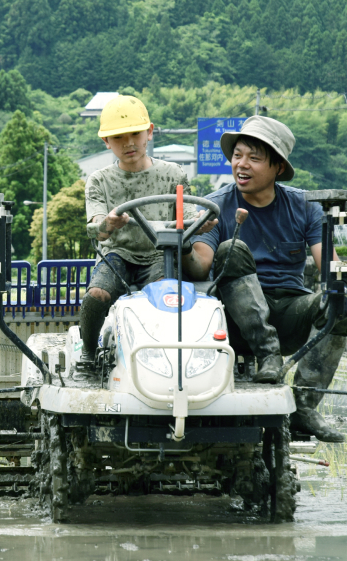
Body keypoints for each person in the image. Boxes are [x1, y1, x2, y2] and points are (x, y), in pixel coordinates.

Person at [182, 115, 345, 442]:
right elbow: (201, 266)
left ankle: (303, 404)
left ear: (278, 168)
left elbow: (329, 265)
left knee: (341, 297)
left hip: (288, 313)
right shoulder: (215, 207)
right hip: (233, 324)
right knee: (231, 247)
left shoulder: (304, 206)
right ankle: (266, 355)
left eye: (254, 158)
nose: (241, 164)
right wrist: (185, 242)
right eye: (238, 155)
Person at [79, 95, 216, 370]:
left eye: (135, 134)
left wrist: (200, 221)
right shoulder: (99, 180)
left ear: (149, 132)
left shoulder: (172, 174)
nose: (129, 143)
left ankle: (166, 359)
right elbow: (97, 228)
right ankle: (88, 350)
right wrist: (107, 224)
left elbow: (187, 216)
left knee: (166, 295)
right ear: (106, 142)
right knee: (97, 294)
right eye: (118, 137)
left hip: (159, 255)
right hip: (117, 254)